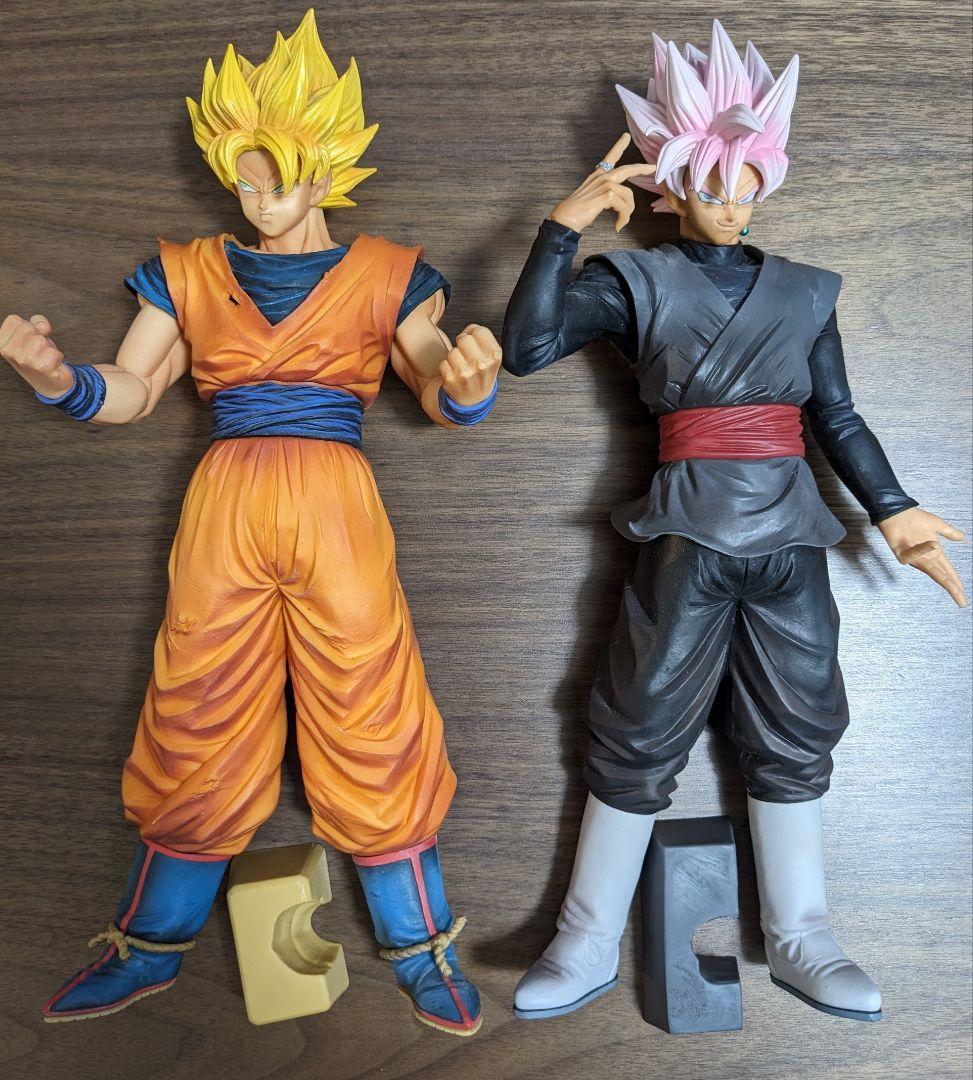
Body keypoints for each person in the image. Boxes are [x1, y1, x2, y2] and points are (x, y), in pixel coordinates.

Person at [2, 10, 498, 1036]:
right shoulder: (188, 270)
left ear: (325, 169)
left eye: (276, 174)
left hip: (336, 506)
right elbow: (136, 387)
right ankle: (147, 947)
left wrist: (467, 385)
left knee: (372, 702)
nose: (257, 194)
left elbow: (432, 381)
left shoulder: (386, 272)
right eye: (242, 175)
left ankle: (421, 945)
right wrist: (60, 382)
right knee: (195, 702)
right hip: (224, 503)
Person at [501, 20, 966, 1024]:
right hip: (685, 530)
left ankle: (803, 935)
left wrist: (894, 511)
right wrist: (559, 231)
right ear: (671, 184)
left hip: (792, 536)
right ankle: (584, 937)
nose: (730, 201)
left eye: (747, 181)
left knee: (798, 725)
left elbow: (837, 415)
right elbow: (526, 348)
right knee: (638, 722)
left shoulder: (803, 291)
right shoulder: (635, 280)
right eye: (710, 183)